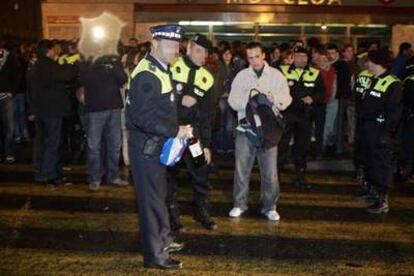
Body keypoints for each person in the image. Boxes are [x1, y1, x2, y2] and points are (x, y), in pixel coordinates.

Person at [126, 24, 192, 269]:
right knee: (152, 202)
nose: (175, 50)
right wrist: (176, 131)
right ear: (155, 44)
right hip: (147, 149)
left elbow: (159, 110)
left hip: (156, 146)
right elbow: (143, 118)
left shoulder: (160, 68)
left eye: (176, 45)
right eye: (169, 45)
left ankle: (162, 241)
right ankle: (155, 256)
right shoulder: (147, 74)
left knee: (159, 197)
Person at [228, 42, 291, 221]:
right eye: (250, 57)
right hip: (245, 128)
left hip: (269, 131)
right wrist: (250, 99)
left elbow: (287, 99)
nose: (254, 61)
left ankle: (270, 206)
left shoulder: (277, 76)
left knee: (270, 171)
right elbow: (232, 101)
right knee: (242, 169)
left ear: (264, 55)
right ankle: (239, 203)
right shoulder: (241, 76)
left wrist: (274, 99)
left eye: (257, 56)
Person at [167, 33, 216, 231]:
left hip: (194, 135)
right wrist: (180, 101)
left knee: (200, 173)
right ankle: (172, 215)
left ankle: (201, 211)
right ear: (188, 49)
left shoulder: (207, 77)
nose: (202, 55)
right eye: (198, 50)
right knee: (170, 174)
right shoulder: (172, 67)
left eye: (205, 51)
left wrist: (207, 145)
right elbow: (162, 100)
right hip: (172, 131)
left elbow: (207, 115)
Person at [356, 49, 402, 214]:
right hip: (366, 127)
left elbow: (394, 112)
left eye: (368, 61)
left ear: (376, 62)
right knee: (368, 161)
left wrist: (385, 133)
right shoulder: (372, 79)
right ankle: (372, 191)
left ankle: (383, 200)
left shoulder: (392, 83)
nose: (366, 63)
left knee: (381, 164)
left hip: (379, 130)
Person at [27, 39, 78, 184]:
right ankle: (49, 173)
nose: (56, 51)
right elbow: (65, 75)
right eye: (54, 48)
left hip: (40, 110)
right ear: (49, 51)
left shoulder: (35, 65)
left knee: (41, 141)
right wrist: (76, 64)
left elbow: (30, 89)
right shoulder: (48, 65)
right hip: (52, 111)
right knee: (52, 142)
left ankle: (40, 169)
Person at [79, 47, 129, 191]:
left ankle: (113, 176)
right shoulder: (87, 62)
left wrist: (111, 65)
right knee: (94, 146)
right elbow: (83, 79)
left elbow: (123, 78)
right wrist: (98, 65)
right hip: (95, 109)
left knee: (115, 145)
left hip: (114, 107)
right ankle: (94, 178)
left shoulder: (113, 60)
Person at [278, 46, 325, 189]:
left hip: (304, 115)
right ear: (293, 57)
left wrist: (313, 98)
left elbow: (322, 93)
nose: (302, 59)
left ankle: (300, 176)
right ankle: (275, 177)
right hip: (286, 114)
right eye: (299, 56)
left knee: (302, 147)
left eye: (304, 56)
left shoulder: (315, 73)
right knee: (281, 146)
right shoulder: (282, 71)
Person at [0, 38, 20, 163]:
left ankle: (9, 152)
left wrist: (11, 90)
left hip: (6, 96)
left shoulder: (11, 58)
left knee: (9, 126)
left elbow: (17, 75)